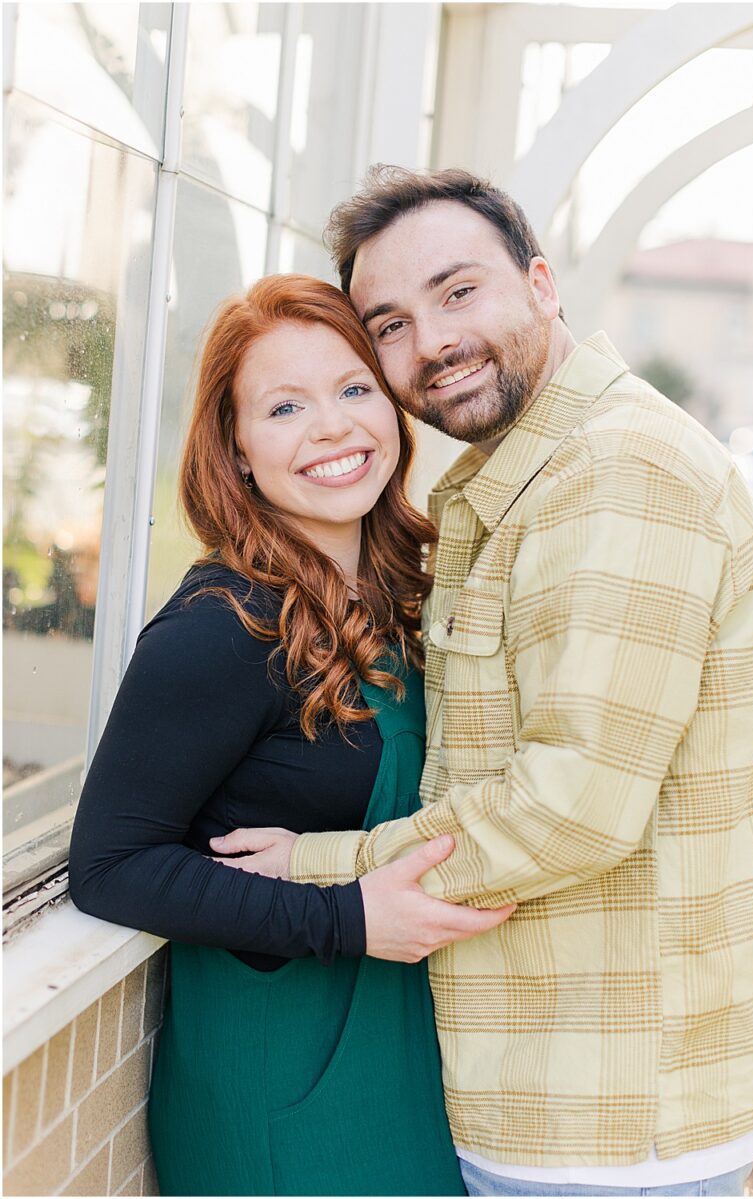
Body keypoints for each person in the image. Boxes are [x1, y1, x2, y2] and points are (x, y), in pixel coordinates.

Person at [210, 167, 753, 1197]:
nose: (430, 342)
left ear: (540, 282)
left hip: (607, 1110)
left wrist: (316, 867)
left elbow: (573, 804)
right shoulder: (521, 475)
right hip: (559, 1082)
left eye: (457, 291)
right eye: (387, 323)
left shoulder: (616, 475)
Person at [68, 274, 514, 1195]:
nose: (332, 427)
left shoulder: (403, 594)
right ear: (235, 447)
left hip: (399, 1061)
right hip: (285, 1083)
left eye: (354, 389)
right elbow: (110, 862)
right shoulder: (221, 626)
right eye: (283, 406)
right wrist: (345, 912)